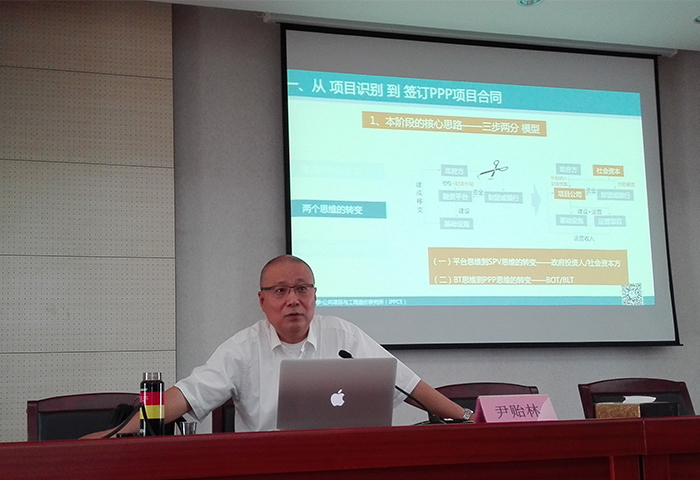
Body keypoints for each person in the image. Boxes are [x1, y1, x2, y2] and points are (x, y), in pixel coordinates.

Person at [83, 255, 468, 438]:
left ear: (315, 296)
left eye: (302, 289)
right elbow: (188, 395)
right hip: (270, 466)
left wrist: (467, 418)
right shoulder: (243, 348)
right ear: (262, 300)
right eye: (280, 291)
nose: (293, 300)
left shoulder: (344, 337)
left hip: (341, 462)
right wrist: (116, 434)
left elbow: (407, 385)